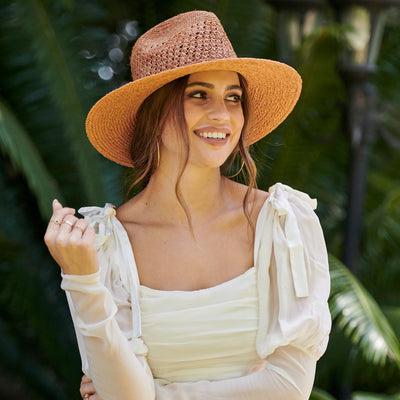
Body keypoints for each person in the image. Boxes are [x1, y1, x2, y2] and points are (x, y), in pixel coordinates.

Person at [44, 10, 331, 400]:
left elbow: (289, 386)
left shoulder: (280, 222)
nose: (222, 114)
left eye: (234, 98)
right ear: (153, 111)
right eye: (198, 94)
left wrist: (160, 395)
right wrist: (81, 281)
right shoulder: (107, 246)